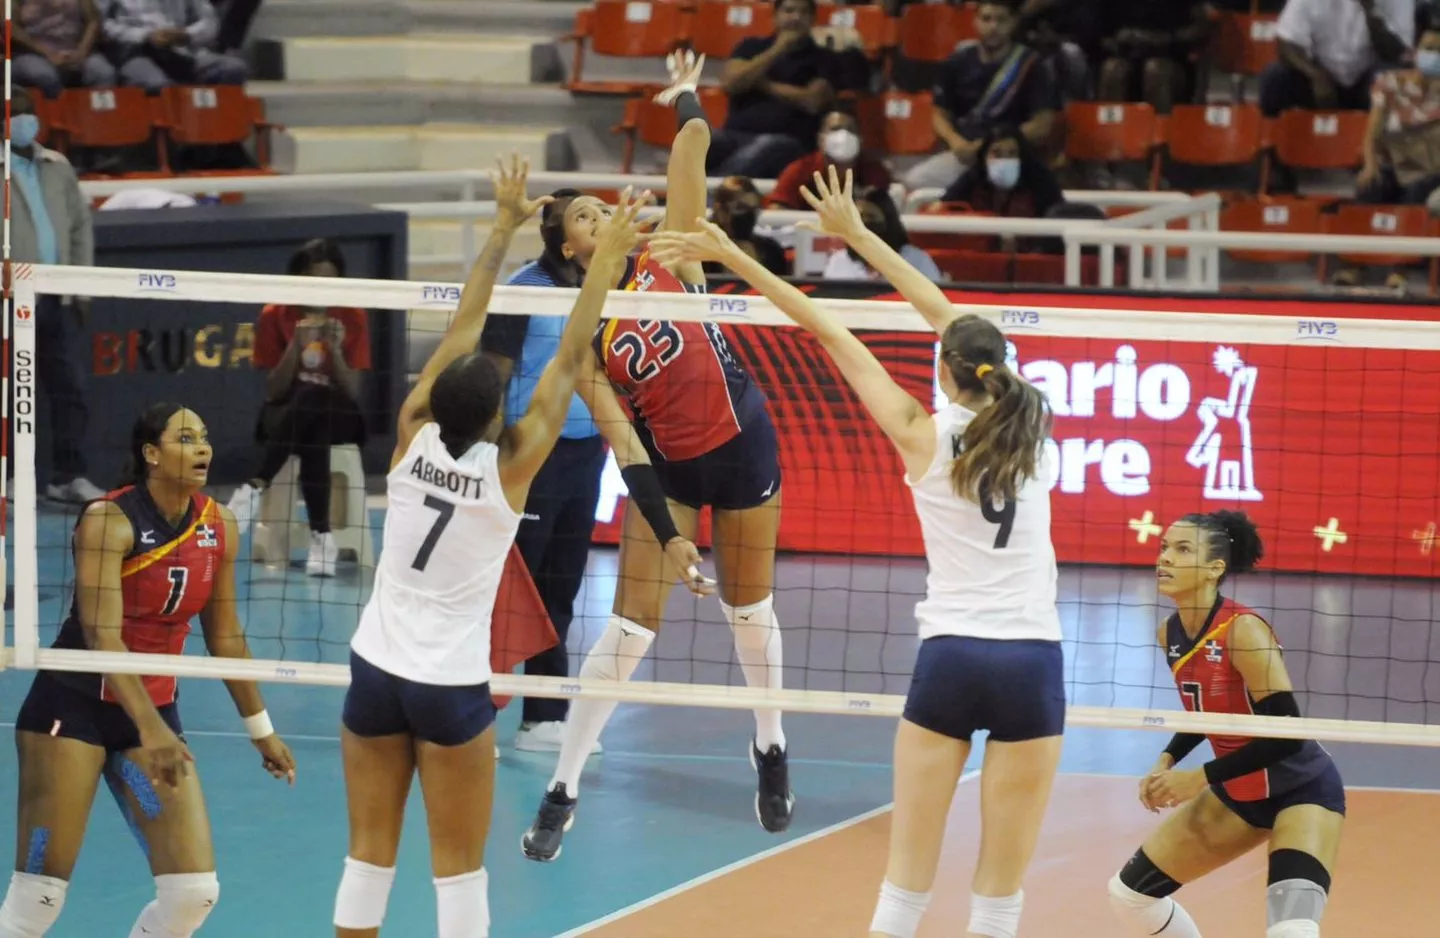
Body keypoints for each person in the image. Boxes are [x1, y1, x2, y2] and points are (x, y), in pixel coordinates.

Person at [651, 165, 1064, 938]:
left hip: (952, 657)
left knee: (904, 889)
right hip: (1033, 662)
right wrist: (865, 234)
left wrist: (733, 256)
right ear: (1001, 370)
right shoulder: (1034, 427)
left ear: (943, 372)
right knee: (999, 900)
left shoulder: (921, 433)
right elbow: (956, 323)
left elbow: (826, 327)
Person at [330, 158, 651, 938]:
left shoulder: (409, 436)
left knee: (368, 857)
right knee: (459, 871)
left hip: (374, 669)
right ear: (494, 409)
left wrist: (502, 225)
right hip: (448, 684)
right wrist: (608, 261)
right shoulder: (509, 469)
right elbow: (572, 359)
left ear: (435, 402)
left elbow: (465, 326)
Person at [521, 51, 793, 863]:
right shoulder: (584, 337)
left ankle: (770, 745)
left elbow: (694, 151)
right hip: (664, 470)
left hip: (743, 445)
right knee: (631, 628)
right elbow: (624, 440)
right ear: (568, 251)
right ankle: (563, 786)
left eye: (601, 207)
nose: (599, 216)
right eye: (581, 218)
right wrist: (666, 531)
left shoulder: (673, 252)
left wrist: (683, 101)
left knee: (750, 615)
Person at [0, 403, 298, 938]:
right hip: (71, 709)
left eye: (205, 437)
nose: (203, 448)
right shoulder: (108, 520)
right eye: (186, 438)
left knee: (193, 894)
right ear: (152, 455)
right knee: (38, 899)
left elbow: (226, 637)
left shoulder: (219, 525)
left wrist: (262, 730)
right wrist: (154, 728)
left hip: (152, 714)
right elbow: (102, 635)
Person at [1106, 510, 1345, 938]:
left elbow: (1286, 733)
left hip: (1301, 790)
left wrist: (1198, 777)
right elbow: (1209, 713)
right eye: (1164, 547)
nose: (1165, 558)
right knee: (1129, 896)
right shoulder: (1170, 632)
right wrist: (1166, 759)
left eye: (1182, 550)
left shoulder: (1243, 630)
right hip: (1239, 794)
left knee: (1290, 930)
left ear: (1215, 568)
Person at [227, 238, 371, 578]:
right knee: (310, 416)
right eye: (313, 280)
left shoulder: (352, 316)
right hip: (285, 413)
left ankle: (253, 486)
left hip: (342, 414)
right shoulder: (275, 314)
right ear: (297, 279)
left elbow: (352, 390)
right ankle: (323, 539)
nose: (321, 290)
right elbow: (274, 390)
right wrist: (296, 344)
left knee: (316, 399)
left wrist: (334, 351)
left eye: (330, 282)